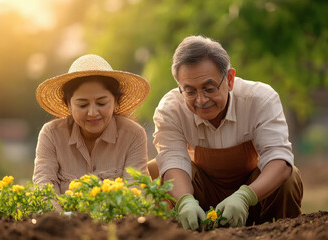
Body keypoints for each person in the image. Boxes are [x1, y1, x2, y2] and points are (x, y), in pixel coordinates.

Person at [150, 35, 303, 230]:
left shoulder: (260, 99)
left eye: (209, 88)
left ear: (229, 79)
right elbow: (173, 160)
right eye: (189, 91)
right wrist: (185, 201)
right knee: (157, 170)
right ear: (180, 86)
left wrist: (245, 197)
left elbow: (279, 159)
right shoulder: (171, 109)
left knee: (289, 177)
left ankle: (278, 232)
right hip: (201, 197)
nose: (201, 99)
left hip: (257, 198)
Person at [33, 54, 150, 195]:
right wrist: (63, 217)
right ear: (68, 105)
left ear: (116, 101)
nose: (93, 113)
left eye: (101, 103)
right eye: (82, 105)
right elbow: (44, 187)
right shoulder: (52, 134)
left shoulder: (133, 136)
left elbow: (134, 192)